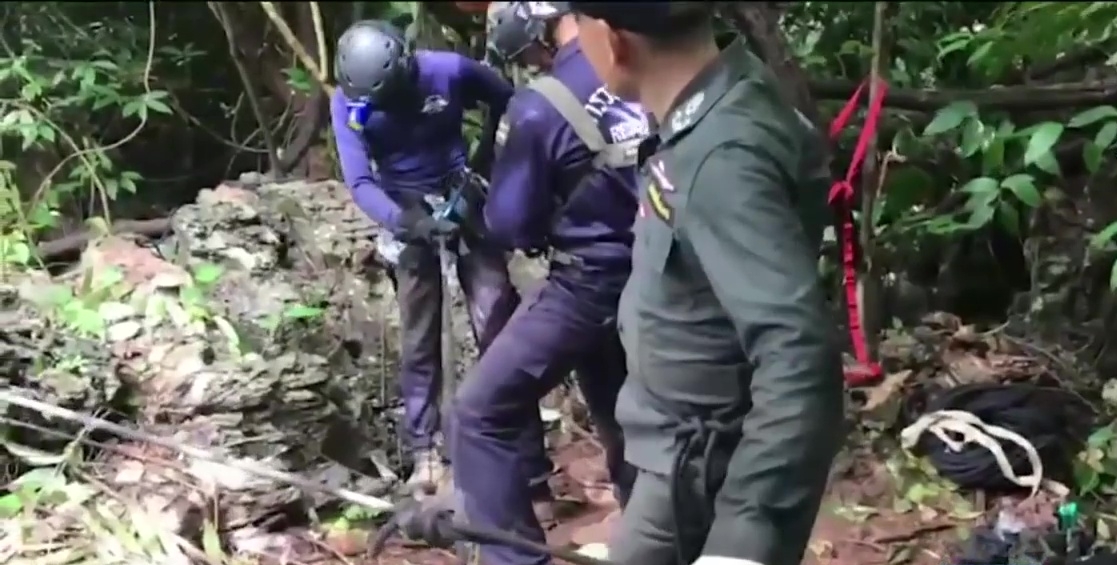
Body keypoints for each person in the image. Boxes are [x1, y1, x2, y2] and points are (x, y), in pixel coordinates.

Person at [570, 3, 845, 565]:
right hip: (679, 453)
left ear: (614, 42)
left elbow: (797, 350)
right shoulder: (718, 101)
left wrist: (743, 540)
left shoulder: (722, 152)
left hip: (699, 470)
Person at [444, 2, 649, 564]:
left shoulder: (540, 106)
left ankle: (514, 558)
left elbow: (512, 224)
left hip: (588, 283)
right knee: (621, 411)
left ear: (536, 33)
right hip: (659, 277)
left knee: (479, 412)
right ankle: (659, 541)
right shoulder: (651, 65)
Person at [330, 19, 552, 496]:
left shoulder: (447, 71)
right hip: (406, 209)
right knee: (419, 336)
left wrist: (481, 163)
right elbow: (359, 180)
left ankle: (529, 462)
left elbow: (508, 103)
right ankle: (425, 455)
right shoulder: (350, 101)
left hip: (462, 193)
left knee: (498, 325)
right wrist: (405, 221)